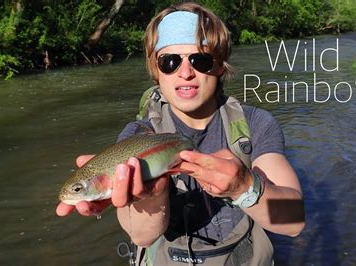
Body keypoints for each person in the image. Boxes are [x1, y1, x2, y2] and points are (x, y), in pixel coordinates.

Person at [56, 2, 304, 265]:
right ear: (156, 70)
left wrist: (243, 187)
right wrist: (152, 196)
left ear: (220, 66)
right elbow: (142, 236)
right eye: (170, 61)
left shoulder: (255, 124)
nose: (185, 73)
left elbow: (293, 223)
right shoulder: (138, 135)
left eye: (200, 60)